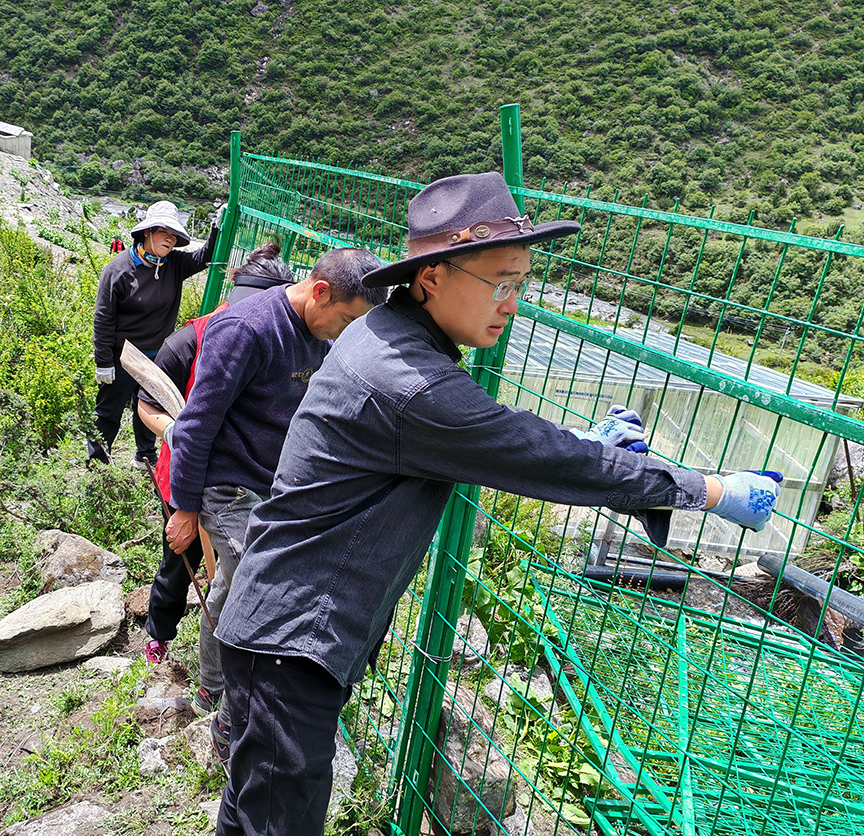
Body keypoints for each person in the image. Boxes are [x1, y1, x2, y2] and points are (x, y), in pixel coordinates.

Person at [210, 172, 784, 836]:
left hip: (281, 623)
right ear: (433, 278)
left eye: (523, 284)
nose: (513, 303)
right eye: (502, 283)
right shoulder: (412, 382)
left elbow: (495, 437)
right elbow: (521, 447)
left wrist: (577, 443)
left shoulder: (388, 337)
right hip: (292, 637)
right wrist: (711, 491)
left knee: (253, 813)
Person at [163, 248, 389, 734]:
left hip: (274, 481)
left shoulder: (321, 333)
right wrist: (184, 507)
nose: (347, 333)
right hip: (226, 483)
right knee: (254, 580)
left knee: (233, 586)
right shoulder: (247, 330)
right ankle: (229, 700)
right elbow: (195, 425)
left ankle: (217, 685)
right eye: (348, 319)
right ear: (321, 291)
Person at [137, 244, 298, 664]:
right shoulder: (190, 340)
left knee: (229, 570)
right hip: (186, 468)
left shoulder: (286, 340)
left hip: (242, 477)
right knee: (181, 555)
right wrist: (175, 432)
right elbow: (146, 403)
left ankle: (220, 656)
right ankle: (160, 633)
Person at [88, 200, 218, 468]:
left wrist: (218, 228)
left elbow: (204, 257)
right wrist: (103, 361)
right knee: (109, 411)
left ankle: (144, 456)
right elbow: (103, 318)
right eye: (163, 232)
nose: (169, 240)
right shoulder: (119, 270)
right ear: (146, 233)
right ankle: (98, 463)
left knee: (148, 407)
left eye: (174, 236)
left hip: (156, 354)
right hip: (122, 355)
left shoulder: (174, 264)